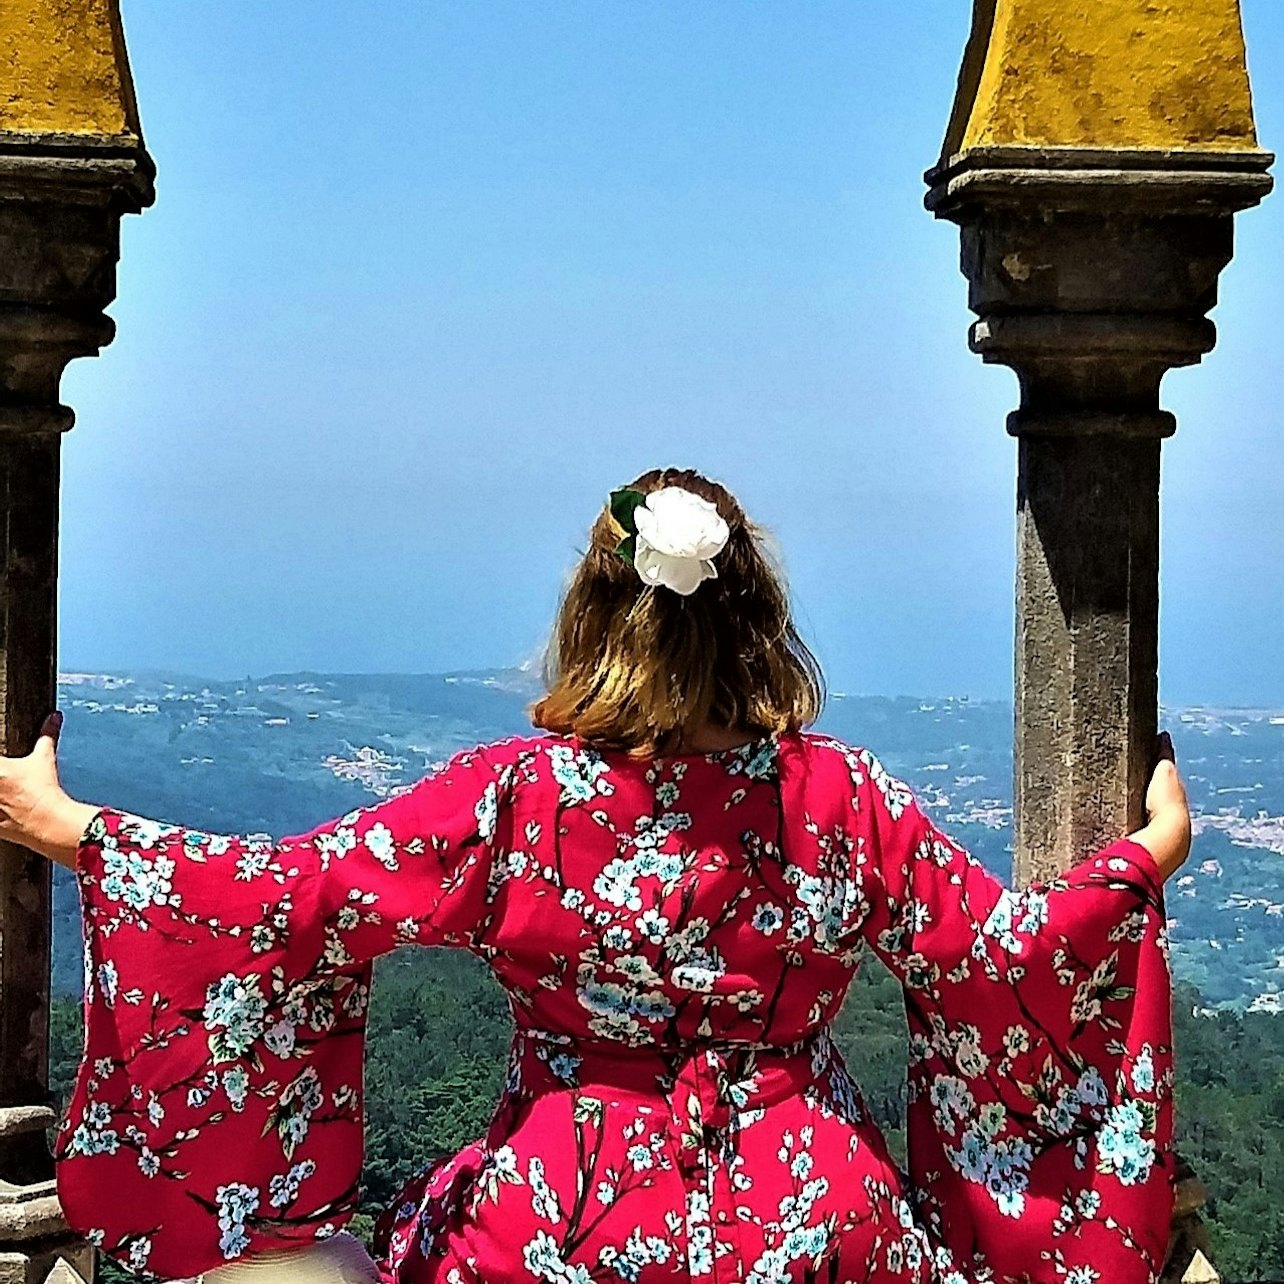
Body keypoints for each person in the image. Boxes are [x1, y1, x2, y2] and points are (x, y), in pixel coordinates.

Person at [0, 467, 1190, 1284]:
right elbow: (1008, 957)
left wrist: (75, 831)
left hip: (557, 1222)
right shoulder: (843, 795)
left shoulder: (519, 798)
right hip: (815, 1220)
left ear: (593, 609)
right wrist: (1142, 862)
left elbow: (289, 900)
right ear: (758, 620)